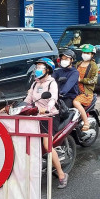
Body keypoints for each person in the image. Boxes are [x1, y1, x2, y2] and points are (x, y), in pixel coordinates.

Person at [23, 58, 67, 188]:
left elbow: (53, 98)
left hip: (50, 116)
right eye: (37, 67)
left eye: (41, 67)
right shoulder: (35, 84)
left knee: (47, 145)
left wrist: (46, 109)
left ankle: (61, 175)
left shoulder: (51, 83)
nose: (37, 70)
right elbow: (28, 99)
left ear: (48, 70)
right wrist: (15, 107)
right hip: (36, 115)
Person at [52, 49, 89, 131]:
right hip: (57, 96)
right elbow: (50, 80)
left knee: (60, 113)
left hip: (69, 96)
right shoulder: (58, 71)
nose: (63, 60)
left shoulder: (74, 72)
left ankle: (85, 122)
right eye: (62, 59)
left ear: (71, 60)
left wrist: (62, 92)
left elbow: (69, 84)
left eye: (66, 59)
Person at [72, 44, 99, 129]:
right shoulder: (78, 64)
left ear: (92, 54)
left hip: (86, 93)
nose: (85, 54)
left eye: (87, 53)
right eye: (84, 52)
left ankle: (86, 122)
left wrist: (81, 80)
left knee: (75, 102)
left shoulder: (93, 66)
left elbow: (94, 80)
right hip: (75, 91)